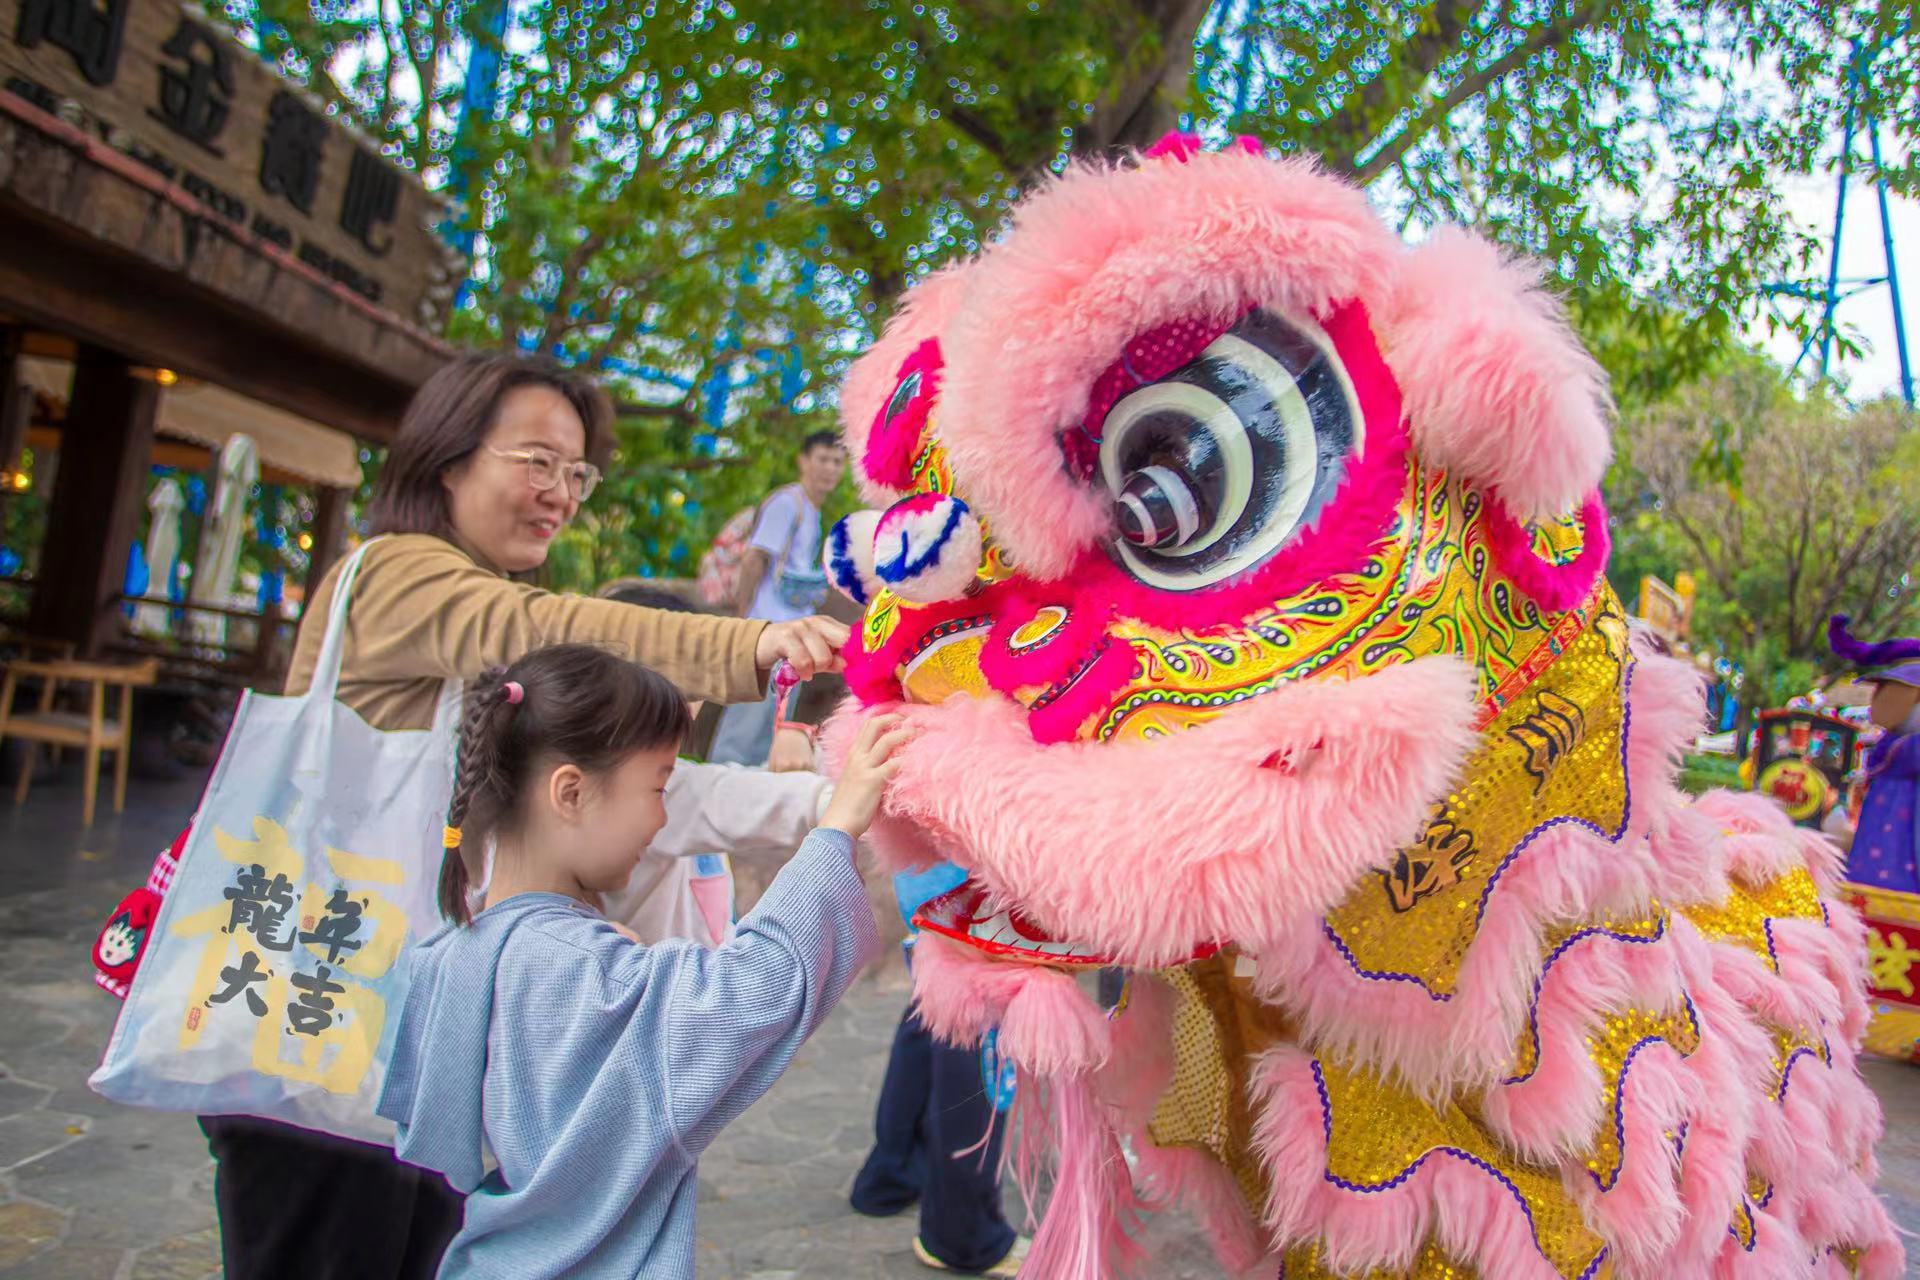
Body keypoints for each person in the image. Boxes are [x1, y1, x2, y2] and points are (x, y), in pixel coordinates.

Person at [198, 352, 849, 1280]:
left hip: (392, 1036)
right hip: (319, 1038)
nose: (561, 493)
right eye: (537, 461)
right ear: (447, 460)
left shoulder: (462, 595)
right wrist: (756, 643)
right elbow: (545, 630)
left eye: (576, 472)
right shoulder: (398, 574)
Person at [377, 646, 905, 1278]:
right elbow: (750, 991)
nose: (661, 816)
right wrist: (838, 827)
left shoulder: (455, 955)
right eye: (659, 786)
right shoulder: (580, 969)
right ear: (571, 793)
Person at [851, 863, 1027, 1277]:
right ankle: (962, 1236)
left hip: (935, 884)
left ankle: (894, 1174)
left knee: (932, 1013)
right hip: (973, 893)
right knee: (972, 1033)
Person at [709, 430, 847, 765]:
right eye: (823, 459)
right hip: (765, 630)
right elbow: (755, 558)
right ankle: (718, 781)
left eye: (837, 461)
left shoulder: (811, 511)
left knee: (769, 724)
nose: (830, 468)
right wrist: (744, 622)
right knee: (744, 727)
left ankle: (746, 788)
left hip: (791, 637)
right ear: (803, 461)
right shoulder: (786, 503)